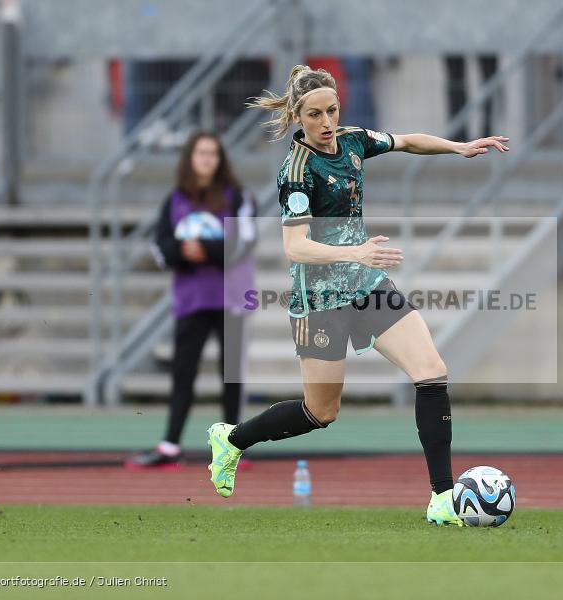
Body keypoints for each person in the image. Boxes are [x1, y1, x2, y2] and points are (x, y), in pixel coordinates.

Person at [205, 65, 507, 525]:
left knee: (431, 371)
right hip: (320, 301)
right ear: (297, 116)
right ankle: (232, 440)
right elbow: (295, 246)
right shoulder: (297, 172)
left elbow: (405, 140)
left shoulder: (350, 140)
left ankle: (442, 498)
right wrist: (355, 252)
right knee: (320, 412)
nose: (326, 122)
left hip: (368, 289)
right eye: (315, 114)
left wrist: (458, 147)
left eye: (332, 110)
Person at [126, 131, 257, 470]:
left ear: (220, 159)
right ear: (190, 158)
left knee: (232, 376)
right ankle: (170, 445)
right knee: (183, 374)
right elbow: (160, 247)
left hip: (232, 300)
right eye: (200, 153)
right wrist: (181, 251)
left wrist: (208, 248)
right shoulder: (174, 200)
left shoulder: (238, 196)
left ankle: (232, 446)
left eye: (213, 153)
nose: (206, 159)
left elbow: (245, 240)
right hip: (192, 299)